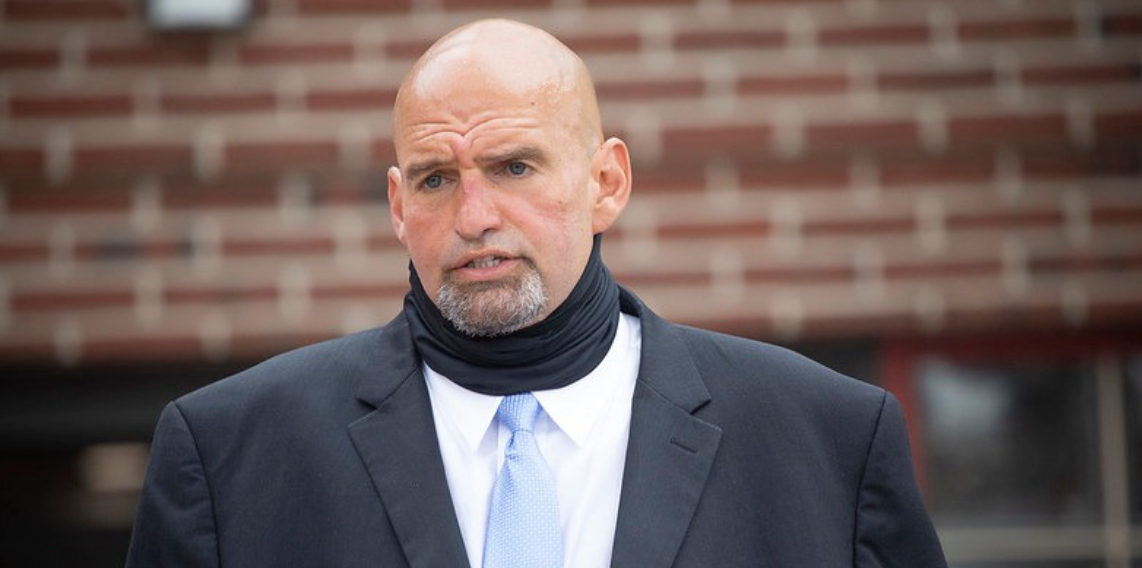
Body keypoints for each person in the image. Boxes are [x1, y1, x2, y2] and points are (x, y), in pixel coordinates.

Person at [126, 18, 947, 568]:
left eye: (515, 167)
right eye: (436, 178)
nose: (475, 216)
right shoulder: (230, 458)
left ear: (607, 182)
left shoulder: (828, 444)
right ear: (397, 205)